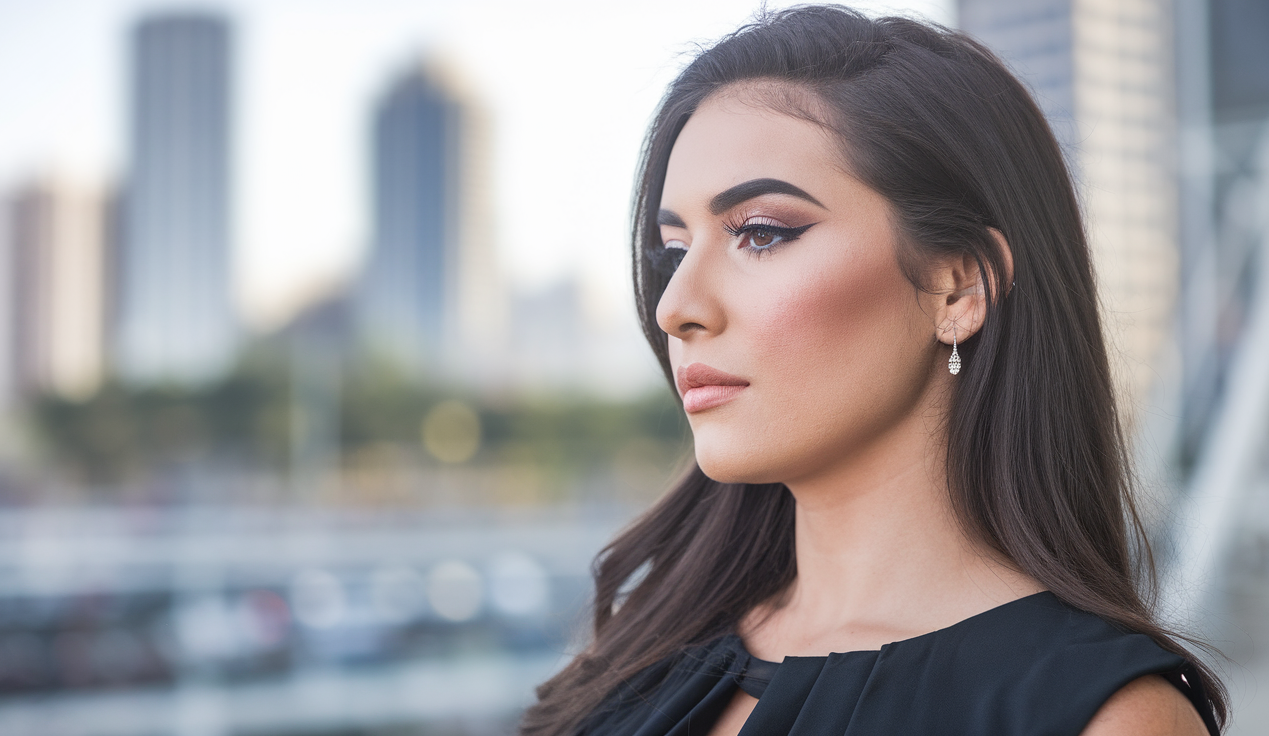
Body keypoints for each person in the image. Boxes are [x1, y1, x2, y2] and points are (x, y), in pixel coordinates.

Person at [520, 6, 1227, 735]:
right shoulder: (641, 658)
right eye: (673, 250)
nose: (676, 307)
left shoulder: (1105, 718)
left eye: (760, 234)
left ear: (959, 287)